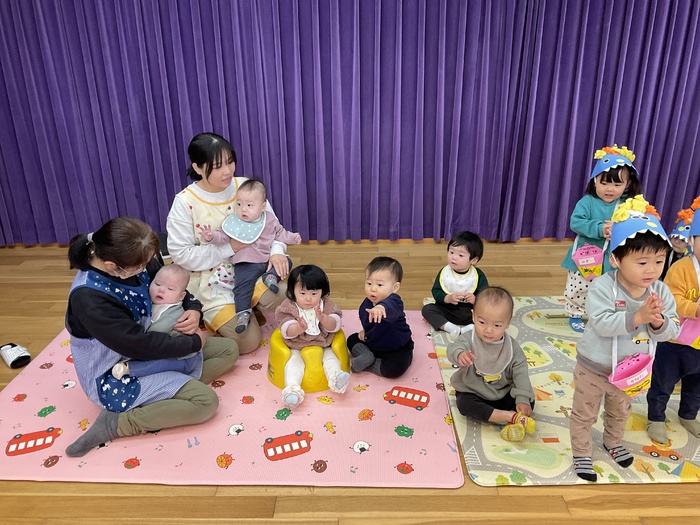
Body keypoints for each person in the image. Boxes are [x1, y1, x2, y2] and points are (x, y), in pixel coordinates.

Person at [64, 217, 238, 457]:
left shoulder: (136, 259)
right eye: (143, 265)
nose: (148, 267)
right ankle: (118, 423)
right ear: (112, 266)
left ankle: (167, 390)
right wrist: (192, 343)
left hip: (153, 342)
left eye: (149, 261)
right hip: (116, 371)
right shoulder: (90, 299)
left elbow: (172, 282)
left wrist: (193, 309)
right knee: (206, 403)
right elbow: (139, 345)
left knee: (229, 349)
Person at [569, 196, 680, 482]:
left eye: (659, 261)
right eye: (642, 262)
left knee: (620, 412)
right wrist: (638, 317)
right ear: (616, 259)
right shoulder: (602, 287)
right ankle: (581, 452)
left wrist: (659, 322)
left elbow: (673, 330)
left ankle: (613, 442)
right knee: (584, 413)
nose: (652, 269)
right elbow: (602, 323)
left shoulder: (660, 292)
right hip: (594, 367)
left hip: (631, 370)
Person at [166, 132, 290, 353]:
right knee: (247, 343)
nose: (227, 171)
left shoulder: (244, 186)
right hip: (213, 280)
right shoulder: (184, 202)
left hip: (253, 265)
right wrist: (228, 248)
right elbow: (181, 255)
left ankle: (250, 306)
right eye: (217, 166)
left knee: (284, 294)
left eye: (230, 162)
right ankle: (230, 313)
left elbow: (272, 226)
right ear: (198, 168)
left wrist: (277, 251)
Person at [200, 178, 301, 334]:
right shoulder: (233, 222)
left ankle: (271, 276)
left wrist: (293, 238)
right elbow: (222, 237)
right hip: (245, 264)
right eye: (239, 204)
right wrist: (211, 237)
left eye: (249, 205)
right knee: (242, 287)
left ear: (262, 206)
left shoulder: (269, 219)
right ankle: (243, 313)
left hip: (267, 261)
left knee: (287, 260)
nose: (243, 209)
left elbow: (280, 233)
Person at [561, 145, 642, 333]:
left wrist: (621, 227)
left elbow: (636, 224)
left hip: (613, 258)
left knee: (610, 287)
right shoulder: (587, 201)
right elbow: (576, 222)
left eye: (617, 185)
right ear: (595, 180)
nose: (610, 189)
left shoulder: (629, 204)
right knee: (580, 286)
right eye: (604, 183)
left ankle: (602, 314)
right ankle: (575, 313)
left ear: (627, 184)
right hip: (586, 256)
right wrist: (599, 228)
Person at [446, 286, 536, 442]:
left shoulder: (512, 348)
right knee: (464, 404)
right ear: (473, 316)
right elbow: (453, 348)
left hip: (502, 392)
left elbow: (520, 374)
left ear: (508, 323)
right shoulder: (469, 339)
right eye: (482, 322)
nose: (488, 330)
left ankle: (512, 419)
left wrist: (522, 399)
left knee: (528, 399)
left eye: (497, 325)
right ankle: (508, 417)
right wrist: (459, 354)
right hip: (472, 391)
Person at [648, 197, 700, 444]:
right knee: (662, 383)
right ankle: (656, 418)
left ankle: (688, 415)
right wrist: (695, 309)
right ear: (691, 240)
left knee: (696, 387)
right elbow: (672, 299)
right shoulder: (681, 269)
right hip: (674, 342)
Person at [274, 265, 350, 408]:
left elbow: (335, 323)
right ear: (292, 291)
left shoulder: (326, 305)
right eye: (302, 293)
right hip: (296, 346)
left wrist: (324, 319)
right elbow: (285, 328)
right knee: (293, 364)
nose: (308, 299)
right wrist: (298, 328)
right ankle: (292, 390)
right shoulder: (288, 307)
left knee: (331, 358)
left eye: (314, 294)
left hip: (323, 343)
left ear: (322, 292)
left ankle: (336, 378)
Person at [111, 264, 202, 379]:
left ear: (181, 296)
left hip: (183, 357)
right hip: (162, 349)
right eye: (157, 284)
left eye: (170, 289)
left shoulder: (175, 316)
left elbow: (157, 337)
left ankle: (130, 368)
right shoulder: (152, 302)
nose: (161, 290)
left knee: (160, 364)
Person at [346, 257, 414, 378]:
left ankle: (371, 364)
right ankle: (367, 356)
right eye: (369, 283)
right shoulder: (366, 303)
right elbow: (369, 323)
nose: (373, 288)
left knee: (396, 368)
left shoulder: (395, 301)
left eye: (380, 284)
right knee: (351, 339)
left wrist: (381, 308)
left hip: (396, 347)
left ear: (395, 287)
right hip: (373, 342)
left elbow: (390, 307)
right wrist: (365, 331)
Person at [421, 231, 488, 339]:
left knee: (490, 314)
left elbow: (486, 296)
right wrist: (447, 298)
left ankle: (470, 327)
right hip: (447, 311)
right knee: (427, 309)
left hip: (470, 313)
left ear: (473, 260)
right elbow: (436, 291)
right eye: (451, 252)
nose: (454, 257)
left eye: (460, 255)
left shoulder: (478, 275)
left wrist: (476, 300)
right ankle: (450, 327)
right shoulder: (445, 272)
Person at [660, 203, 695, 281]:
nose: (676, 241)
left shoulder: (691, 263)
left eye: (682, 240)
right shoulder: (665, 253)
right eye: (675, 237)